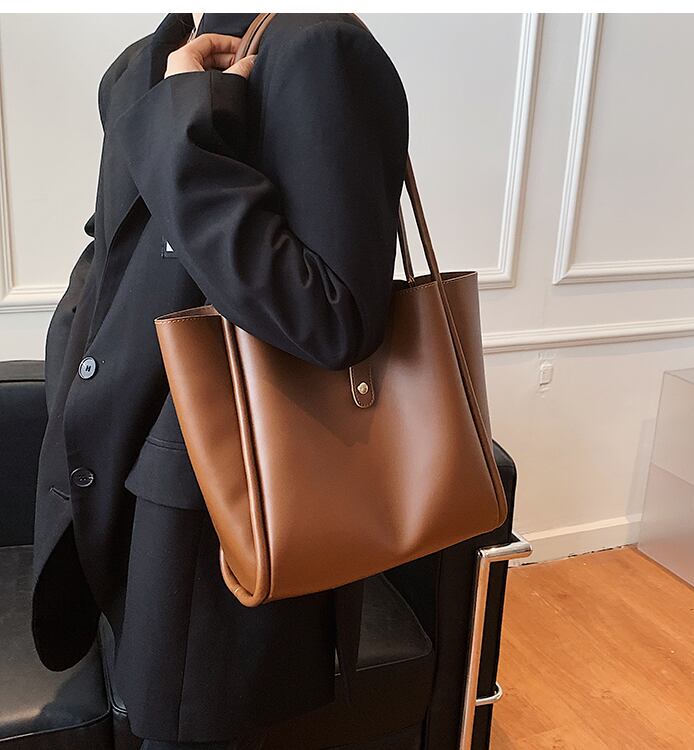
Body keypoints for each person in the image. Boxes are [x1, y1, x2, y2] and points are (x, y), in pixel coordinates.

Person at [30, 12, 409, 750]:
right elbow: (115, 244)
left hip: (216, 516)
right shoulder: (138, 62)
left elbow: (334, 319)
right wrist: (69, 359)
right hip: (106, 470)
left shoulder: (320, 51)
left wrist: (188, 132)